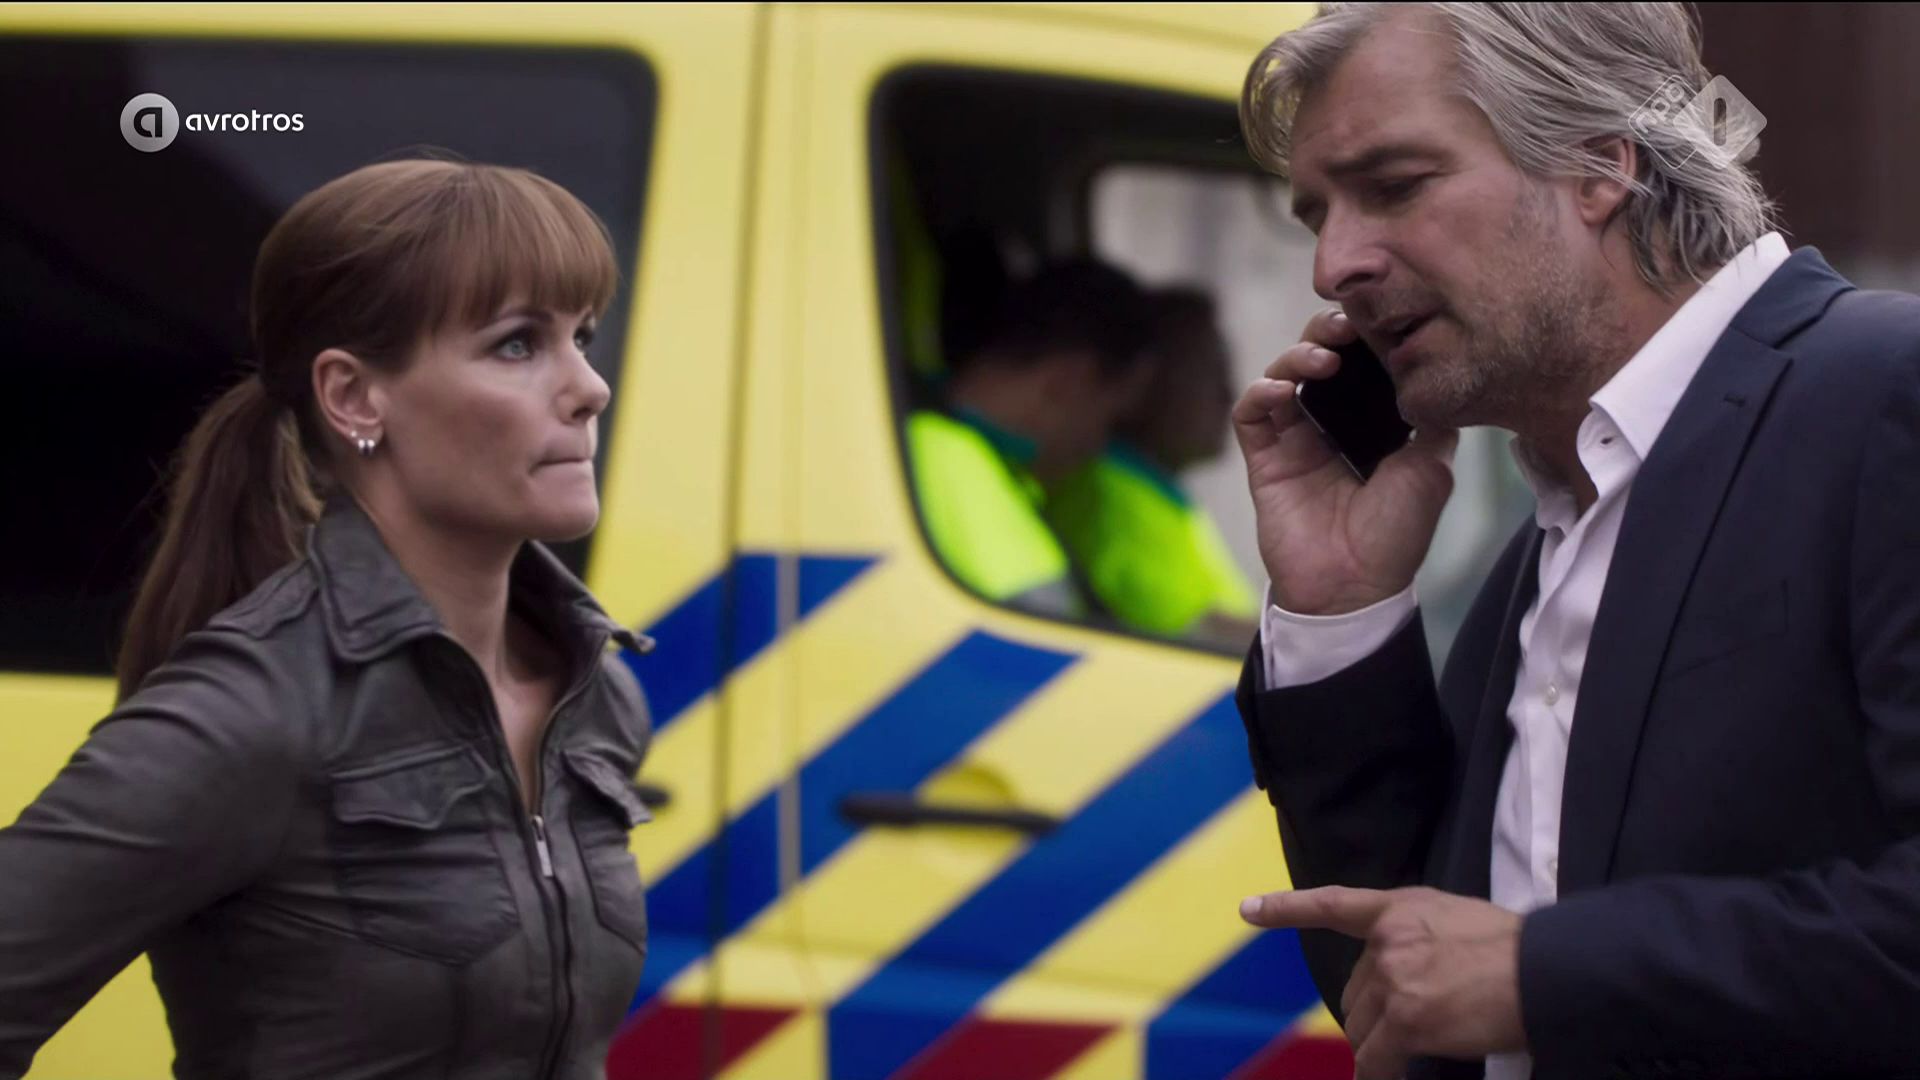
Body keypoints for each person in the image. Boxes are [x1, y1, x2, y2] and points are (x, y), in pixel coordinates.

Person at [1226, 5, 1920, 1080]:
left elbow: (1507, 975)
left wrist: (1547, 974)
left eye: (1394, 186)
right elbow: (1407, 983)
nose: (1334, 266)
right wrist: (1341, 604)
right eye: (1316, 214)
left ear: (1601, 167)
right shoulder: (1552, 535)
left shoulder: (1884, 393)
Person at [0, 159, 658, 1079]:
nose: (590, 386)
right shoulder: (254, 709)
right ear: (353, 396)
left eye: (581, 336)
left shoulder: (596, 694)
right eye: (517, 345)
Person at [907, 258, 1153, 616]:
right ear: (1070, 380)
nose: (1099, 449)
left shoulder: (962, 458)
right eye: (1111, 423)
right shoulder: (944, 460)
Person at [1046, 287, 1259, 643]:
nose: (1228, 394)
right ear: (1144, 380)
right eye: (1208, 373)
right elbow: (1193, 635)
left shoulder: (1151, 488)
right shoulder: (1107, 494)